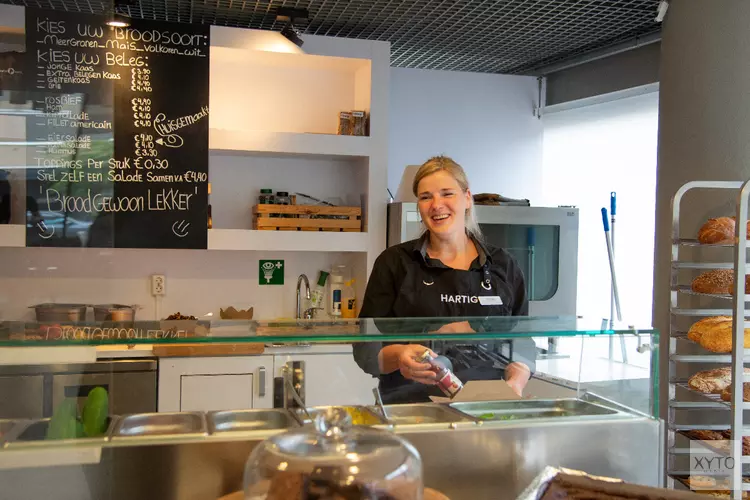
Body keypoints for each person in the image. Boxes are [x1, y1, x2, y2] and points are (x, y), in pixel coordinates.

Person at [353, 155, 536, 404]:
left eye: (447, 193)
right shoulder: (395, 263)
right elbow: (365, 349)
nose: (436, 205)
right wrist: (401, 355)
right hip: (411, 408)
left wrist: (517, 380)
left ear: (467, 198)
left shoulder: (503, 265)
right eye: (425, 197)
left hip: (487, 406)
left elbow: (523, 340)